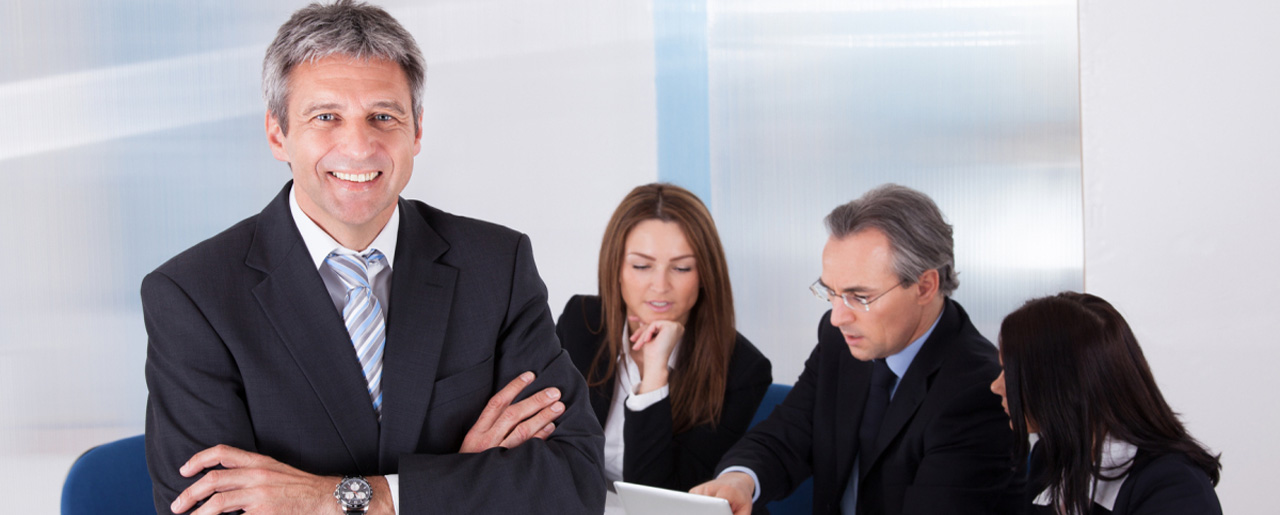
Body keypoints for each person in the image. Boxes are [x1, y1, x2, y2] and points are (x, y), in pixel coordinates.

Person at [141, 2, 604, 513]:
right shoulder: (195, 296)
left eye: (383, 117)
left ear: (417, 131)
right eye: (326, 117)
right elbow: (209, 509)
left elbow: (572, 480)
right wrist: (459, 477)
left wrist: (346, 497)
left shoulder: (497, 266)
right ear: (278, 134)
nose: (359, 147)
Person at [693, 184, 1021, 514]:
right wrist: (739, 480)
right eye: (831, 292)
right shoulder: (843, 340)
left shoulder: (979, 390)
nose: (837, 317)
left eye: (859, 297)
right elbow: (788, 433)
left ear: (925, 286)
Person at [556, 183, 772, 491]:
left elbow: (659, 499)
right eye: (642, 265)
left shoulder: (742, 370)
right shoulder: (581, 321)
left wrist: (654, 376)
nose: (660, 285)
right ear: (615, 267)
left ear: (705, 276)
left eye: (682, 268)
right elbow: (544, 444)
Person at [990, 292, 1222, 515]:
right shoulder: (1050, 456)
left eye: (1008, 372)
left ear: (1060, 384)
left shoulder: (1174, 489)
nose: (996, 386)